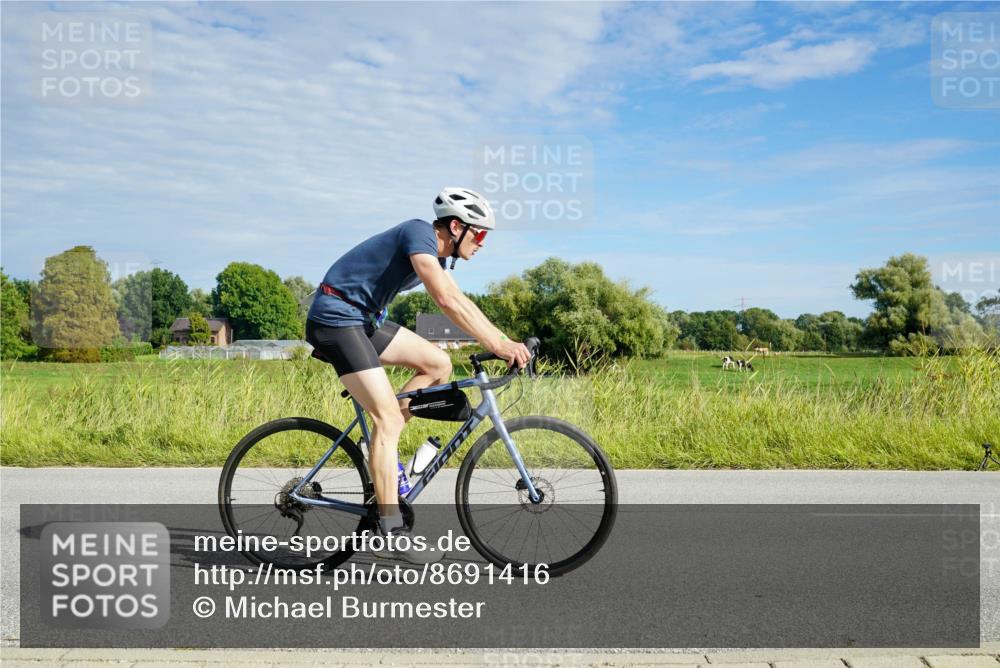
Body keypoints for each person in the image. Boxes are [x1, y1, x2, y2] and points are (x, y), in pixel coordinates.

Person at [305, 187, 531, 564]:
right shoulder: (418, 233)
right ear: (456, 226)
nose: (482, 243)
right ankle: (390, 528)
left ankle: (383, 449)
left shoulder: (436, 258)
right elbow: (446, 300)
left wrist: (501, 339)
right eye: (480, 234)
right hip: (335, 319)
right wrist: (502, 343)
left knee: (438, 365)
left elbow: (461, 301)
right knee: (389, 418)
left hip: (362, 321)